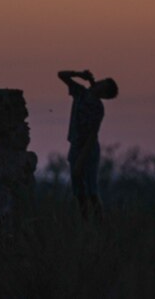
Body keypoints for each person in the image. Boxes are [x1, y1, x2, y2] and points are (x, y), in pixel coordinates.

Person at [58, 69, 119, 217]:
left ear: (104, 94)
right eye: (100, 82)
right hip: (75, 146)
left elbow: (92, 137)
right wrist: (80, 75)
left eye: (102, 86)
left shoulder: (97, 108)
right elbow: (62, 75)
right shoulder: (80, 93)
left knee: (91, 191)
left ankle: (99, 223)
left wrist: (81, 159)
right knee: (78, 192)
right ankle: (84, 222)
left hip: (88, 151)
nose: (98, 84)